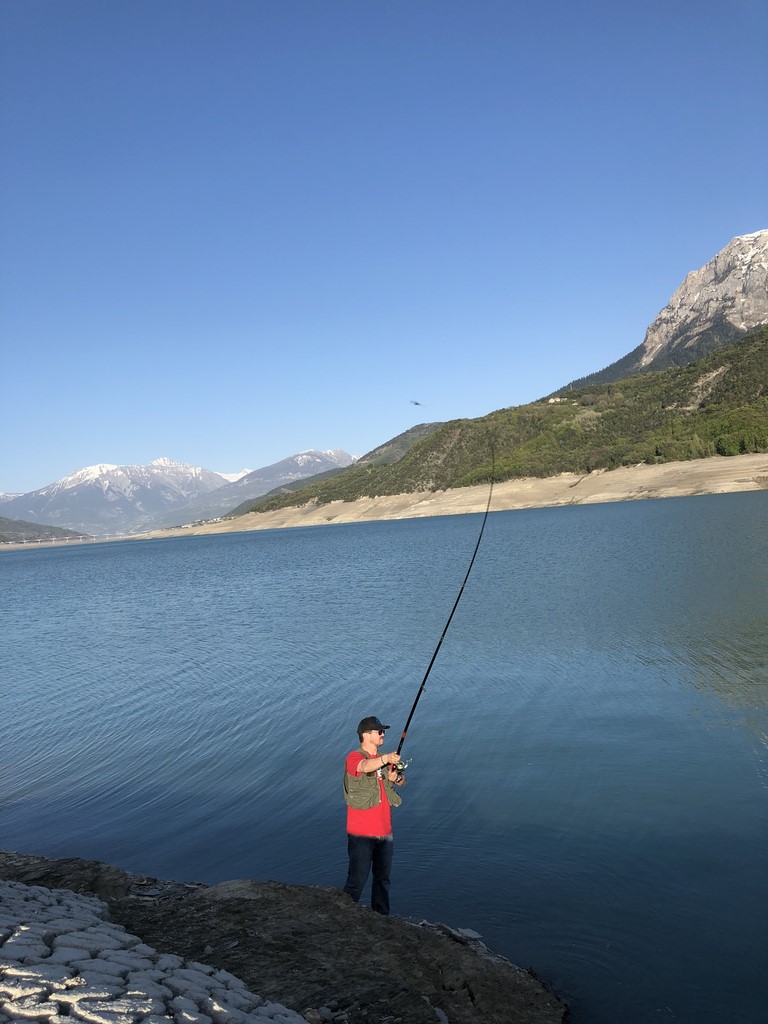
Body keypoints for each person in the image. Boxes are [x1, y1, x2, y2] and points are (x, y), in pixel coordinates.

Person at [342, 715, 407, 915]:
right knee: (357, 880)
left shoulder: (385, 761)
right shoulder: (354, 758)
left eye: (383, 731)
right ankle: (344, 916)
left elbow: (402, 781)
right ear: (365, 735)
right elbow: (365, 767)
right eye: (379, 731)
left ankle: (381, 918)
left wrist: (396, 778)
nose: (382, 734)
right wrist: (385, 759)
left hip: (385, 834)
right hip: (361, 835)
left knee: (383, 880)